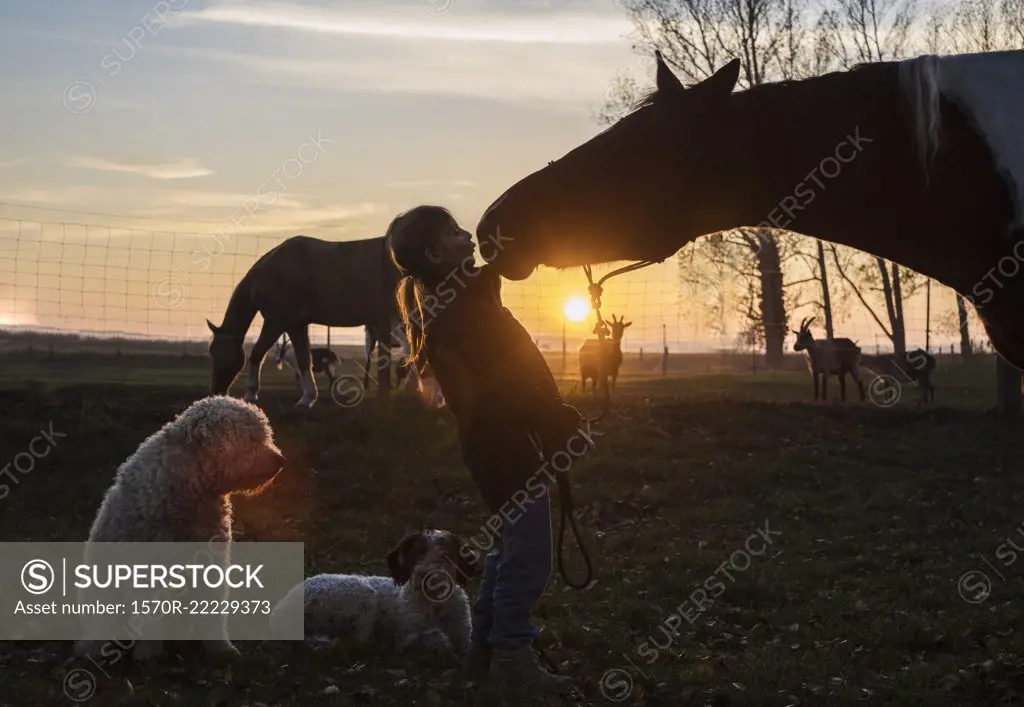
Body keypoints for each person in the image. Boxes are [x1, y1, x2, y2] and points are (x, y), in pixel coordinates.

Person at [387, 205, 590, 696]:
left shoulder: (462, 306)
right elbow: (510, 387)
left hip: (499, 449)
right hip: (508, 449)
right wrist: (553, 420)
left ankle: (482, 651)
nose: (469, 239)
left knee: (506, 549)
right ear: (437, 253)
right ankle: (514, 658)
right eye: (457, 234)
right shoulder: (466, 313)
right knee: (529, 557)